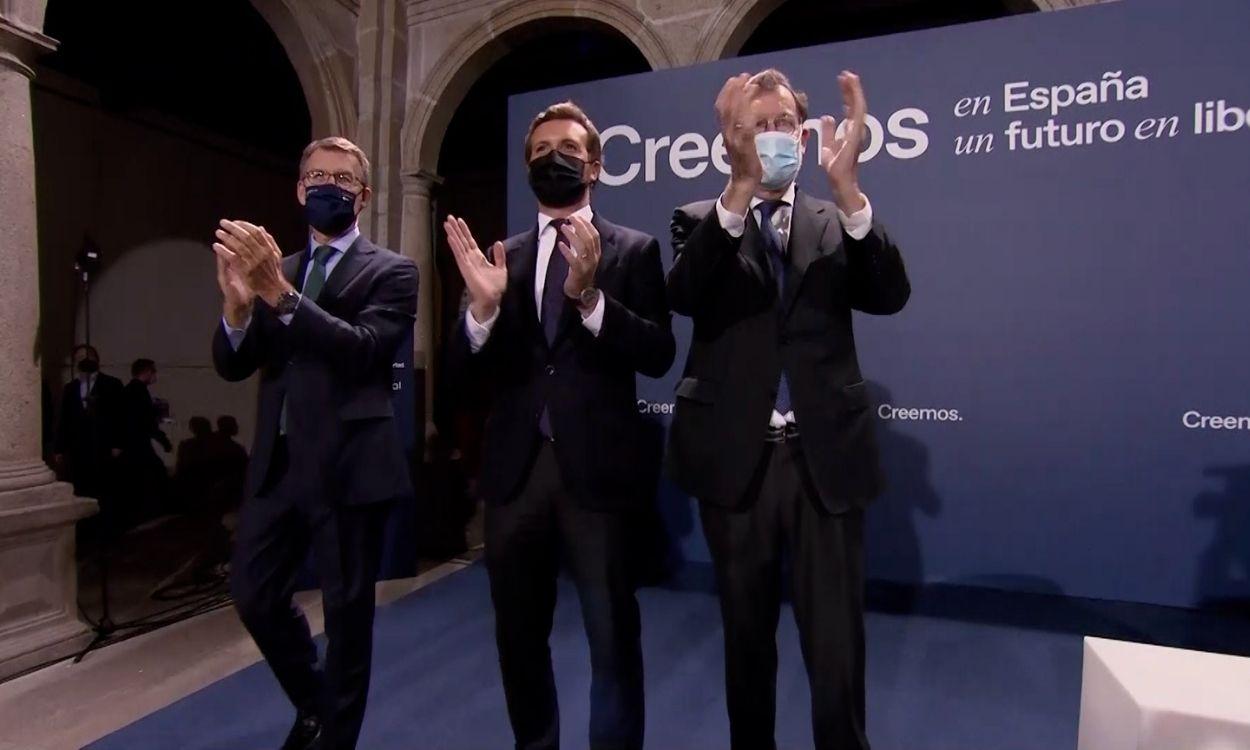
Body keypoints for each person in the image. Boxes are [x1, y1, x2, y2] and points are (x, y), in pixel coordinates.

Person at [665, 69, 910, 750]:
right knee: (747, 644)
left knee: (836, 654)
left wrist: (851, 191)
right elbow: (684, 295)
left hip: (822, 462)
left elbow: (890, 293)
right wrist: (740, 188)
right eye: (756, 125)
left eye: (782, 124)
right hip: (737, 464)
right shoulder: (699, 220)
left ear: (802, 137)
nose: (772, 136)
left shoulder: (836, 217)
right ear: (732, 138)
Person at [444, 101, 675, 750]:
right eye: (540, 151)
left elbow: (659, 353)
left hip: (597, 478)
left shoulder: (633, 251)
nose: (553, 159)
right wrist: (481, 312)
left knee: (612, 640)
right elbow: (461, 376)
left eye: (567, 147)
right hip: (514, 478)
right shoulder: (500, 259)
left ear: (595, 165)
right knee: (518, 640)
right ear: (526, 167)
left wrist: (592, 299)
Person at [211, 136, 418, 750]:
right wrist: (238, 309)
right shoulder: (281, 271)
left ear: (364, 194)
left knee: (349, 620)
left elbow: (362, 349)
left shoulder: (392, 271)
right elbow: (231, 364)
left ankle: (334, 739)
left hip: (351, 470)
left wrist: (277, 294)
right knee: (253, 593)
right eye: (317, 176)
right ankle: (314, 703)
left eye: (343, 177)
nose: (329, 185)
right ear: (300, 189)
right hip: (278, 469)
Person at [54, 344, 124, 502]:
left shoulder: (112, 384)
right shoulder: (70, 388)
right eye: (79, 359)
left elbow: (120, 415)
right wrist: (59, 448)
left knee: (104, 488)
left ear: (96, 360)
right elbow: (64, 418)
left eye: (87, 358)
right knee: (80, 487)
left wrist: (118, 444)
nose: (83, 362)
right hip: (77, 448)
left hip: (103, 446)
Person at [117, 358, 173, 521]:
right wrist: (164, 441)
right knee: (156, 473)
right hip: (138, 442)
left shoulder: (128, 390)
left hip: (131, 443)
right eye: (153, 371)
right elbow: (147, 421)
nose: (155, 375)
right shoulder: (139, 392)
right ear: (147, 372)